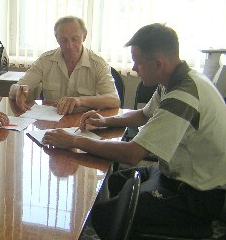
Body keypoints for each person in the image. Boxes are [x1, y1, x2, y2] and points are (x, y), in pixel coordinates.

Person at [42, 23, 226, 238]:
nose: (134, 68)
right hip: (174, 173)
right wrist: (104, 121)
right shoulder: (175, 78)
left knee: (104, 214)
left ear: (157, 64)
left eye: (137, 62)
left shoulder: (183, 96)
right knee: (108, 184)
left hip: (197, 193)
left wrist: (74, 141)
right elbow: (143, 115)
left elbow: (132, 154)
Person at [9, 15, 120, 115]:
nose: (69, 46)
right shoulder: (45, 61)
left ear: (84, 37)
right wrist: (18, 90)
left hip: (84, 123)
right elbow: (16, 88)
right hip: (52, 123)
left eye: (74, 39)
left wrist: (80, 101)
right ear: (57, 38)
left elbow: (114, 100)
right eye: (64, 40)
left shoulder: (98, 64)